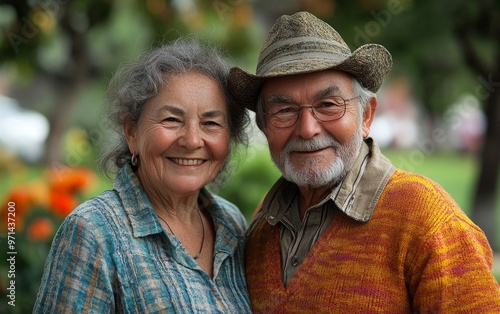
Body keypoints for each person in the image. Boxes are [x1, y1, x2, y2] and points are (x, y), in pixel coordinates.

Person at [229, 11, 500, 313]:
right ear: (265, 126)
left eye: (328, 105)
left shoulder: (426, 218)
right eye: (284, 110)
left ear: (366, 115)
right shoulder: (263, 223)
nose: (307, 129)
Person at [33, 38, 252, 313]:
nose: (193, 140)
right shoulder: (95, 232)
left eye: (211, 123)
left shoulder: (232, 224)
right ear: (131, 132)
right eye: (172, 120)